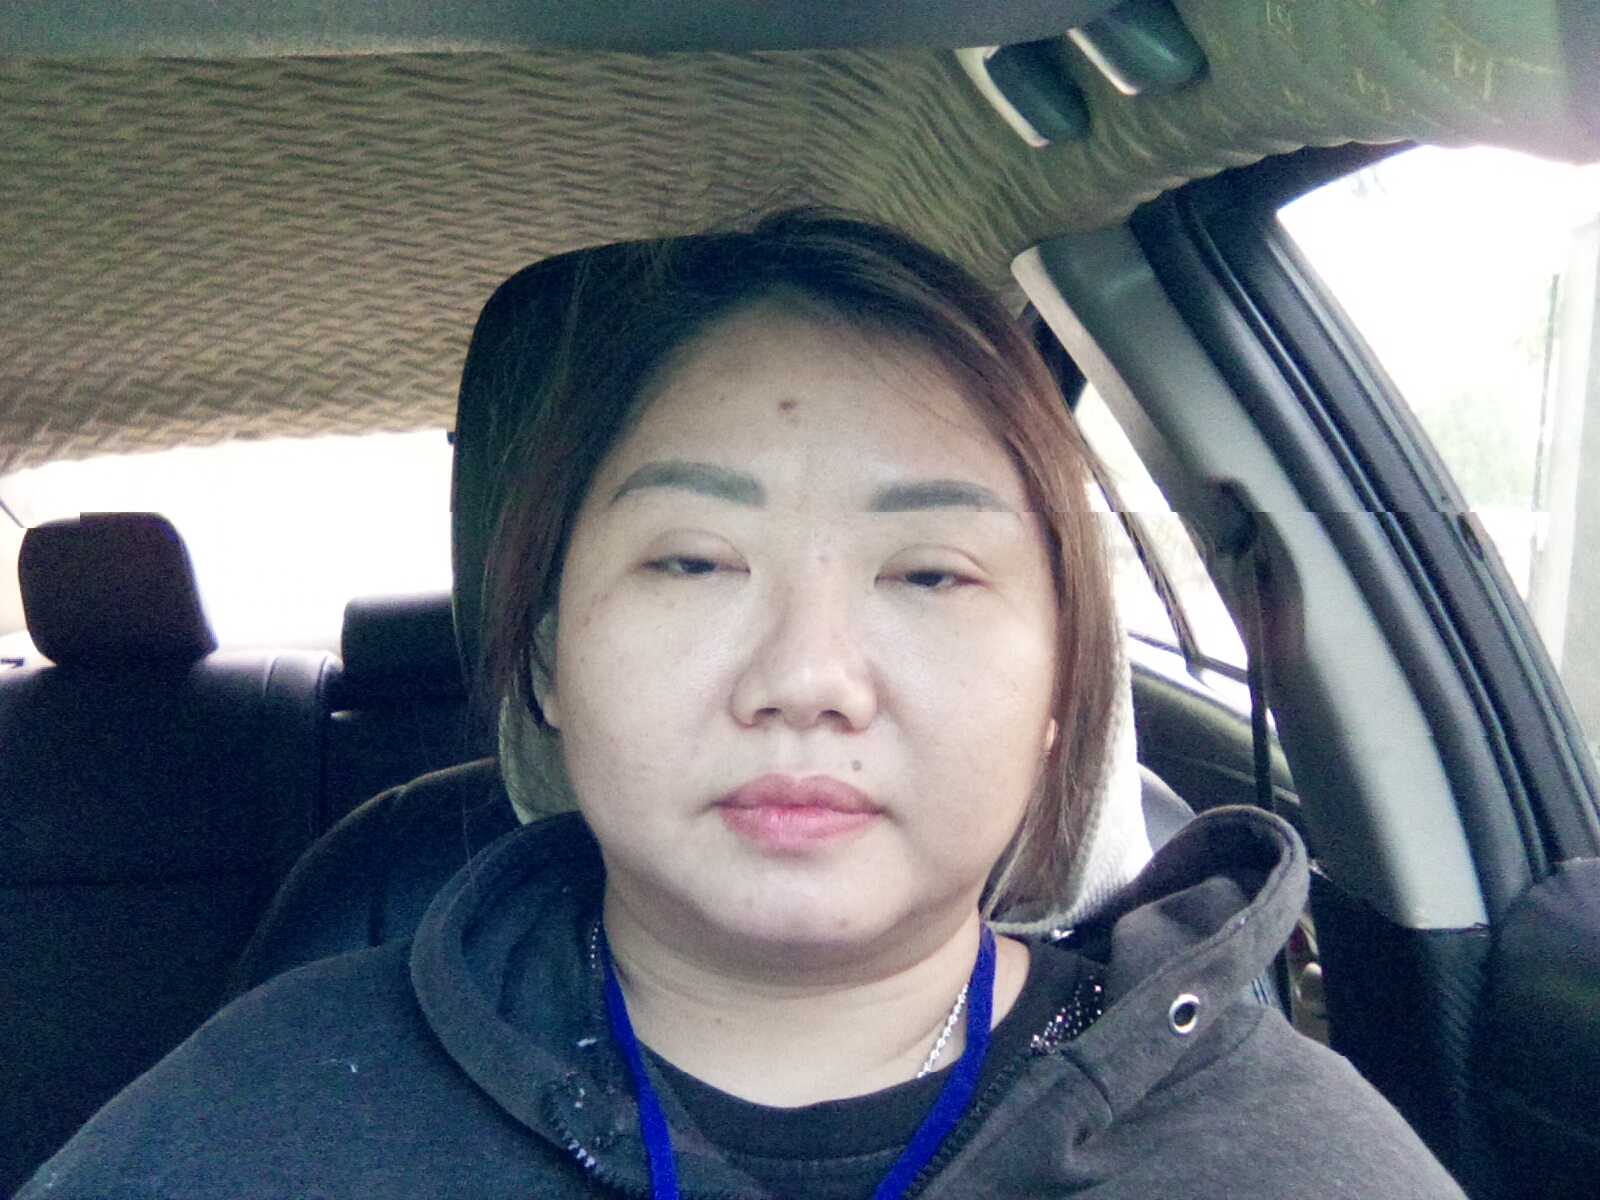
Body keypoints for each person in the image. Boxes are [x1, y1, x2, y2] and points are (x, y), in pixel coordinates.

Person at [19, 212, 1465, 1199]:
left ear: (1058, 689)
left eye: (930, 574)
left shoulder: (1283, 1156)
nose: (806, 679)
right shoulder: (263, 1119)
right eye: (695, 561)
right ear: (545, 661)